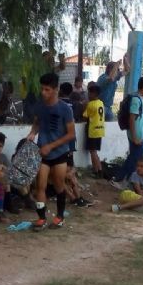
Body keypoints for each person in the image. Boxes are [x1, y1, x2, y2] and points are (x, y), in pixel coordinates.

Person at [26, 72, 75, 230]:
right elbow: (37, 123)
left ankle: (60, 217)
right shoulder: (40, 106)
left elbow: (71, 134)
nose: (43, 92)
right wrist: (33, 133)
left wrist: (51, 146)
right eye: (42, 89)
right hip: (43, 153)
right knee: (41, 186)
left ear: (56, 89)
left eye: (47, 89)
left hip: (60, 153)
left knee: (59, 184)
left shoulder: (65, 109)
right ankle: (41, 218)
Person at [111, 76, 143, 185]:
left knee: (135, 157)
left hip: (138, 133)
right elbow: (132, 119)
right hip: (136, 134)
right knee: (134, 159)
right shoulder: (136, 100)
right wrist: (135, 138)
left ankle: (126, 179)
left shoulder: (138, 97)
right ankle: (121, 179)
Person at [82, 84, 105, 178]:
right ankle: (97, 169)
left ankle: (98, 171)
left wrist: (84, 105)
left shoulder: (90, 104)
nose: (88, 95)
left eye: (89, 93)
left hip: (93, 131)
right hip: (100, 130)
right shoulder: (101, 103)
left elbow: (85, 116)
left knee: (93, 152)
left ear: (94, 93)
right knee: (94, 151)